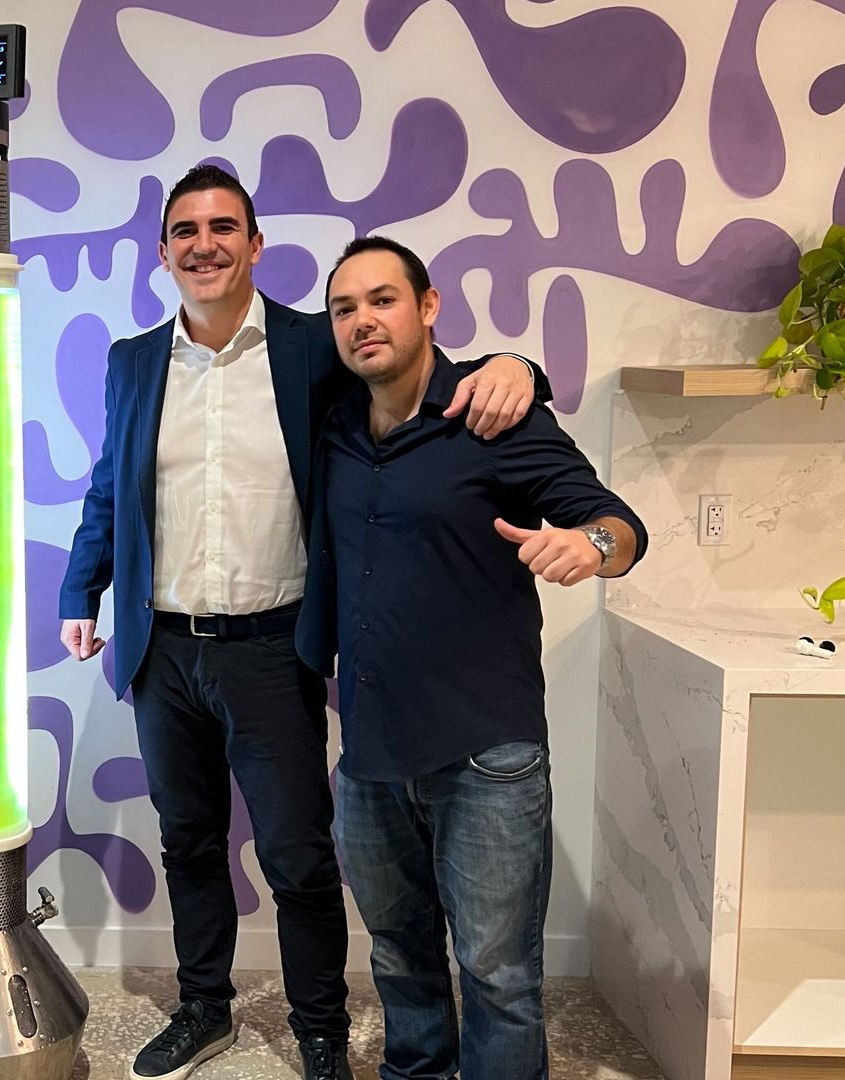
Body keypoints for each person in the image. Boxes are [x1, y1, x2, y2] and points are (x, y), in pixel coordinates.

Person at [57, 164, 546, 1080]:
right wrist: (79, 592)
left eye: (223, 228)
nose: (205, 244)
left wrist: (521, 366)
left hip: (272, 647)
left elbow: (418, 365)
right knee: (187, 841)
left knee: (297, 855)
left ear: (255, 244)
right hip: (163, 649)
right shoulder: (133, 360)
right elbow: (109, 485)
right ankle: (203, 1006)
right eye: (186, 230)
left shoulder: (316, 344)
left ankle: (319, 1026)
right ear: (162, 252)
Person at [313, 236, 646, 1080]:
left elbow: (618, 522)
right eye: (345, 308)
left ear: (428, 307)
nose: (362, 320)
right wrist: (522, 360)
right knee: (398, 955)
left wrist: (591, 545)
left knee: (498, 973)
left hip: (486, 753)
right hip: (372, 754)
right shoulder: (332, 422)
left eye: (382, 299)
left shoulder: (494, 416)